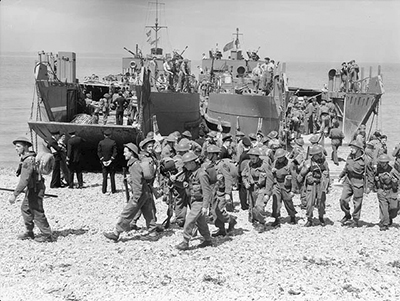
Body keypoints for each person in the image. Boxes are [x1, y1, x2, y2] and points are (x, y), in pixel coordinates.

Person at [103, 143, 158, 242]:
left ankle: (116, 233)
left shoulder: (134, 166)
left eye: (125, 152)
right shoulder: (136, 164)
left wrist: (135, 198)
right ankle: (153, 233)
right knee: (148, 212)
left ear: (131, 153)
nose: (124, 154)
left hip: (139, 193)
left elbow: (137, 183)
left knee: (127, 213)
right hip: (145, 192)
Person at [9, 137, 53, 242]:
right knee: (25, 208)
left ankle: (47, 235)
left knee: (37, 211)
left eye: (18, 146)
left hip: (36, 189)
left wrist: (15, 195)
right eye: (16, 146)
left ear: (26, 147)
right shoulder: (31, 157)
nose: (16, 148)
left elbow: (24, 180)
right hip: (34, 188)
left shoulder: (28, 161)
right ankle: (29, 232)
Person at [175, 151, 213, 250]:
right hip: (193, 201)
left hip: (199, 202)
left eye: (186, 164)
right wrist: (174, 181)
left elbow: (206, 191)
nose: (185, 166)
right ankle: (208, 239)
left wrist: (205, 206)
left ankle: (185, 241)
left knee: (189, 220)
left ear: (192, 163)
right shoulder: (190, 173)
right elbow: (184, 185)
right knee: (201, 222)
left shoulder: (201, 174)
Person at [338, 140, 374, 227]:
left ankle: (355, 220)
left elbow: (370, 174)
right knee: (343, 200)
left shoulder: (366, 160)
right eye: (351, 147)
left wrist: (369, 186)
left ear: (358, 149)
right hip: (348, 180)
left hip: (358, 182)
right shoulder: (350, 156)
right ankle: (347, 215)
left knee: (357, 202)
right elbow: (346, 167)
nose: (351, 149)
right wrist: (341, 176)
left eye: (353, 147)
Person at [206, 145, 237, 237]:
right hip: (214, 192)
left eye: (210, 154)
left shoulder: (221, 165)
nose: (208, 156)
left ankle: (231, 220)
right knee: (214, 212)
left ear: (215, 155)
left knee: (219, 209)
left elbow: (228, 178)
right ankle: (221, 229)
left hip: (222, 192)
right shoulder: (211, 165)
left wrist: (228, 193)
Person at [242, 148, 273, 233]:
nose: (252, 160)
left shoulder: (264, 165)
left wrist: (267, 193)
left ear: (257, 157)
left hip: (261, 188)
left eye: (253, 158)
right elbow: (243, 175)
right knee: (252, 207)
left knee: (259, 207)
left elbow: (270, 180)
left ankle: (262, 223)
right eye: (250, 158)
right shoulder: (249, 164)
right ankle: (255, 220)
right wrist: (246, 183)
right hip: (252, 189)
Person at [298, 145, 330, 227]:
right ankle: (309, 219)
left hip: (320, 184)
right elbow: (301, 175)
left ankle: (321, 217)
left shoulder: (324, 163)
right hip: (311, 184)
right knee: (309, 203)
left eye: (320, 153)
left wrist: (327, 185)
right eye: (317, 154)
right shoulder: (308, 162)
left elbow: (327, 174)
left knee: (321, 202)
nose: (319, 155)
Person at [270, 149, 297, 227]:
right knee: (276, 202)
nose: (279, 159)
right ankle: (276, 218)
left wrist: (293, 190)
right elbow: (271, 172)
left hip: (286, 185)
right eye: (278, 158)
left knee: (288, 201)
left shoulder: (290, 164)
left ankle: (292, 216)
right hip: (277, 184)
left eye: (280, 158)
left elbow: (294, 177)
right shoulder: (275, 162)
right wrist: (272, 171)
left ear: (284, 157)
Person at [373, 154, 398, 231]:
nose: (382, 164)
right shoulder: (378, 169)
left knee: (394, 208)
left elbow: (398, 181)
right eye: (381, 162)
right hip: (382, 190)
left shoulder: (393, 170)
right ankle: (385, 223)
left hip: (392, 191)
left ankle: (389, 217)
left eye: (383, 162)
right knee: (384, 208)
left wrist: (395, 182)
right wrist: (375, 180)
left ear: (387, 162)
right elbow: (373, 177)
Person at [97, 129, 118, 194]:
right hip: (111, 162)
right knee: (112, 176)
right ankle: (113, 190)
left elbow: (99, 152)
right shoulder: (113, 142)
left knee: (104, 177)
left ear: (104, 135)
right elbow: (115, 153)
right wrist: (111, 160)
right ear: (110, 135)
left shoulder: (101, 142)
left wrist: (102, 160)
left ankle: (104, 190)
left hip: (104, 161)